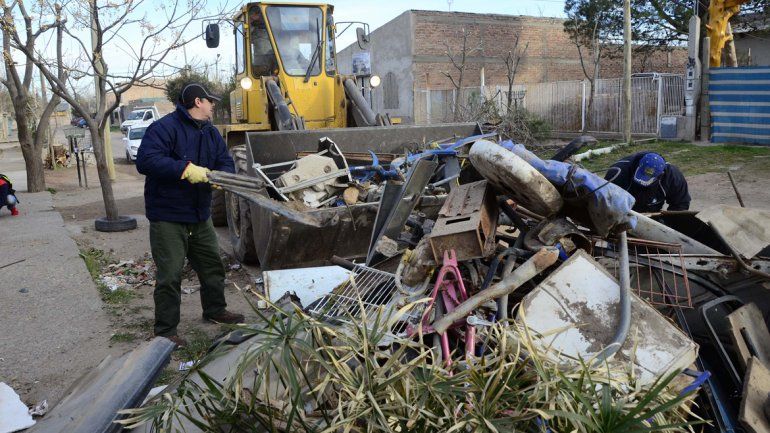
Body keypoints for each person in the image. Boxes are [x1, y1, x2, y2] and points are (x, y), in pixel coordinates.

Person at [136, 83, 243, 349]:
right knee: (171, 275)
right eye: (210, 101)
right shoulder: (163, 128)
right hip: (168, 216)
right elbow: (146, 161)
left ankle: (215, 310)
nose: (213, 105)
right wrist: (185, 169)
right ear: (198, 102)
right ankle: (165, 331)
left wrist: (222, 177)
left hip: (199, 214)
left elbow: (225, 161)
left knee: (212, 267)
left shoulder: (210, 132)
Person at [605, 151, 691, 213]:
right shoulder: (617, 172)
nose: (642, 182)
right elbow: (605, 200)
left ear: (661, 175)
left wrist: (670, 224)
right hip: (622, 212)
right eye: (641, 176)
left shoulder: (673, 177)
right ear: (639, 165)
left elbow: (681, 204)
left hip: (651, 215)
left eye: (647, 179)